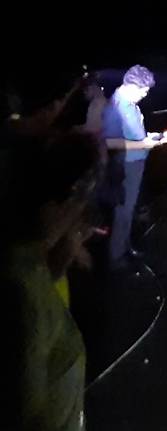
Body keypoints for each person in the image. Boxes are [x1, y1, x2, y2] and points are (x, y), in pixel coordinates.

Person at [4, 129, 100, 431]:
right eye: (77, 202)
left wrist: (64, 254)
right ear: (51, 208)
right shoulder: (21, 295)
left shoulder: (31, 264)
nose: (81, 213)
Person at [102, 65, 167, 268]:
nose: (145, 94)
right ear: (131, 85)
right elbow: (109, 142)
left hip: (136, 163)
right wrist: (143, 144)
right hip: (125, 166)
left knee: (129, 209)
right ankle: (116, 258)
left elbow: (133, 133)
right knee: (122, 211)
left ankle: (126, 246)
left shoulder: (130, 103)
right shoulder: (116, 107)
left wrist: (147, 137)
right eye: (143, 90)